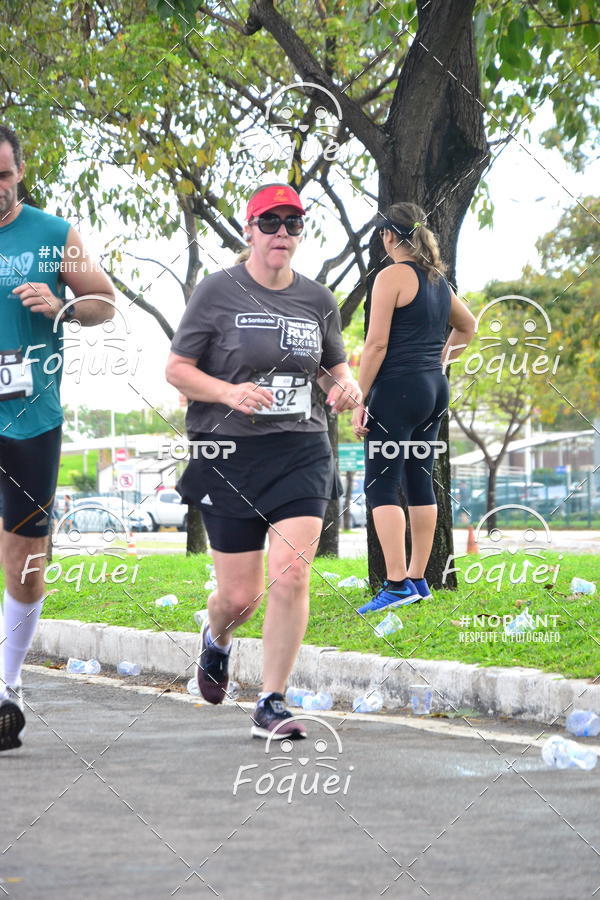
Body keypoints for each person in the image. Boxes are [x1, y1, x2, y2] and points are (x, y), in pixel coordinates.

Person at [166, 182, 360, 740]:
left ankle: (272, 701)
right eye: (269, 222)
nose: (281, 233)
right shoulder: (216, 292)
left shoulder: (318, 300)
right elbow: (177, 369)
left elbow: (330, 368)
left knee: (293, 572)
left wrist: (345, 389)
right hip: (228, 451)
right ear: (249, 230)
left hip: (300, 449)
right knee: (240, 596)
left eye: (292, 223)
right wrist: (228, 393)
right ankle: (217, 636)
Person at [0, 125, 116, 751]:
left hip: (30, 420)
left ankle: (7, 688)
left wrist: (62, 306)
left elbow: (105, 301)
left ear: (19, 172)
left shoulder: (53, 234)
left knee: (25, 561)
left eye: (3, 176)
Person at [351, 202, 475, 613]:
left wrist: (358, 397)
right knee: (419, 481)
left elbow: (376, 345)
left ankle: (397, 583)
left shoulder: (391, 276)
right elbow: (468, 325)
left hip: (398, 391)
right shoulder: (438, 280)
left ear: (388, 236)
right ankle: (420, 579)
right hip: (433, 391)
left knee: (381, 485)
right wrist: (440, 362)